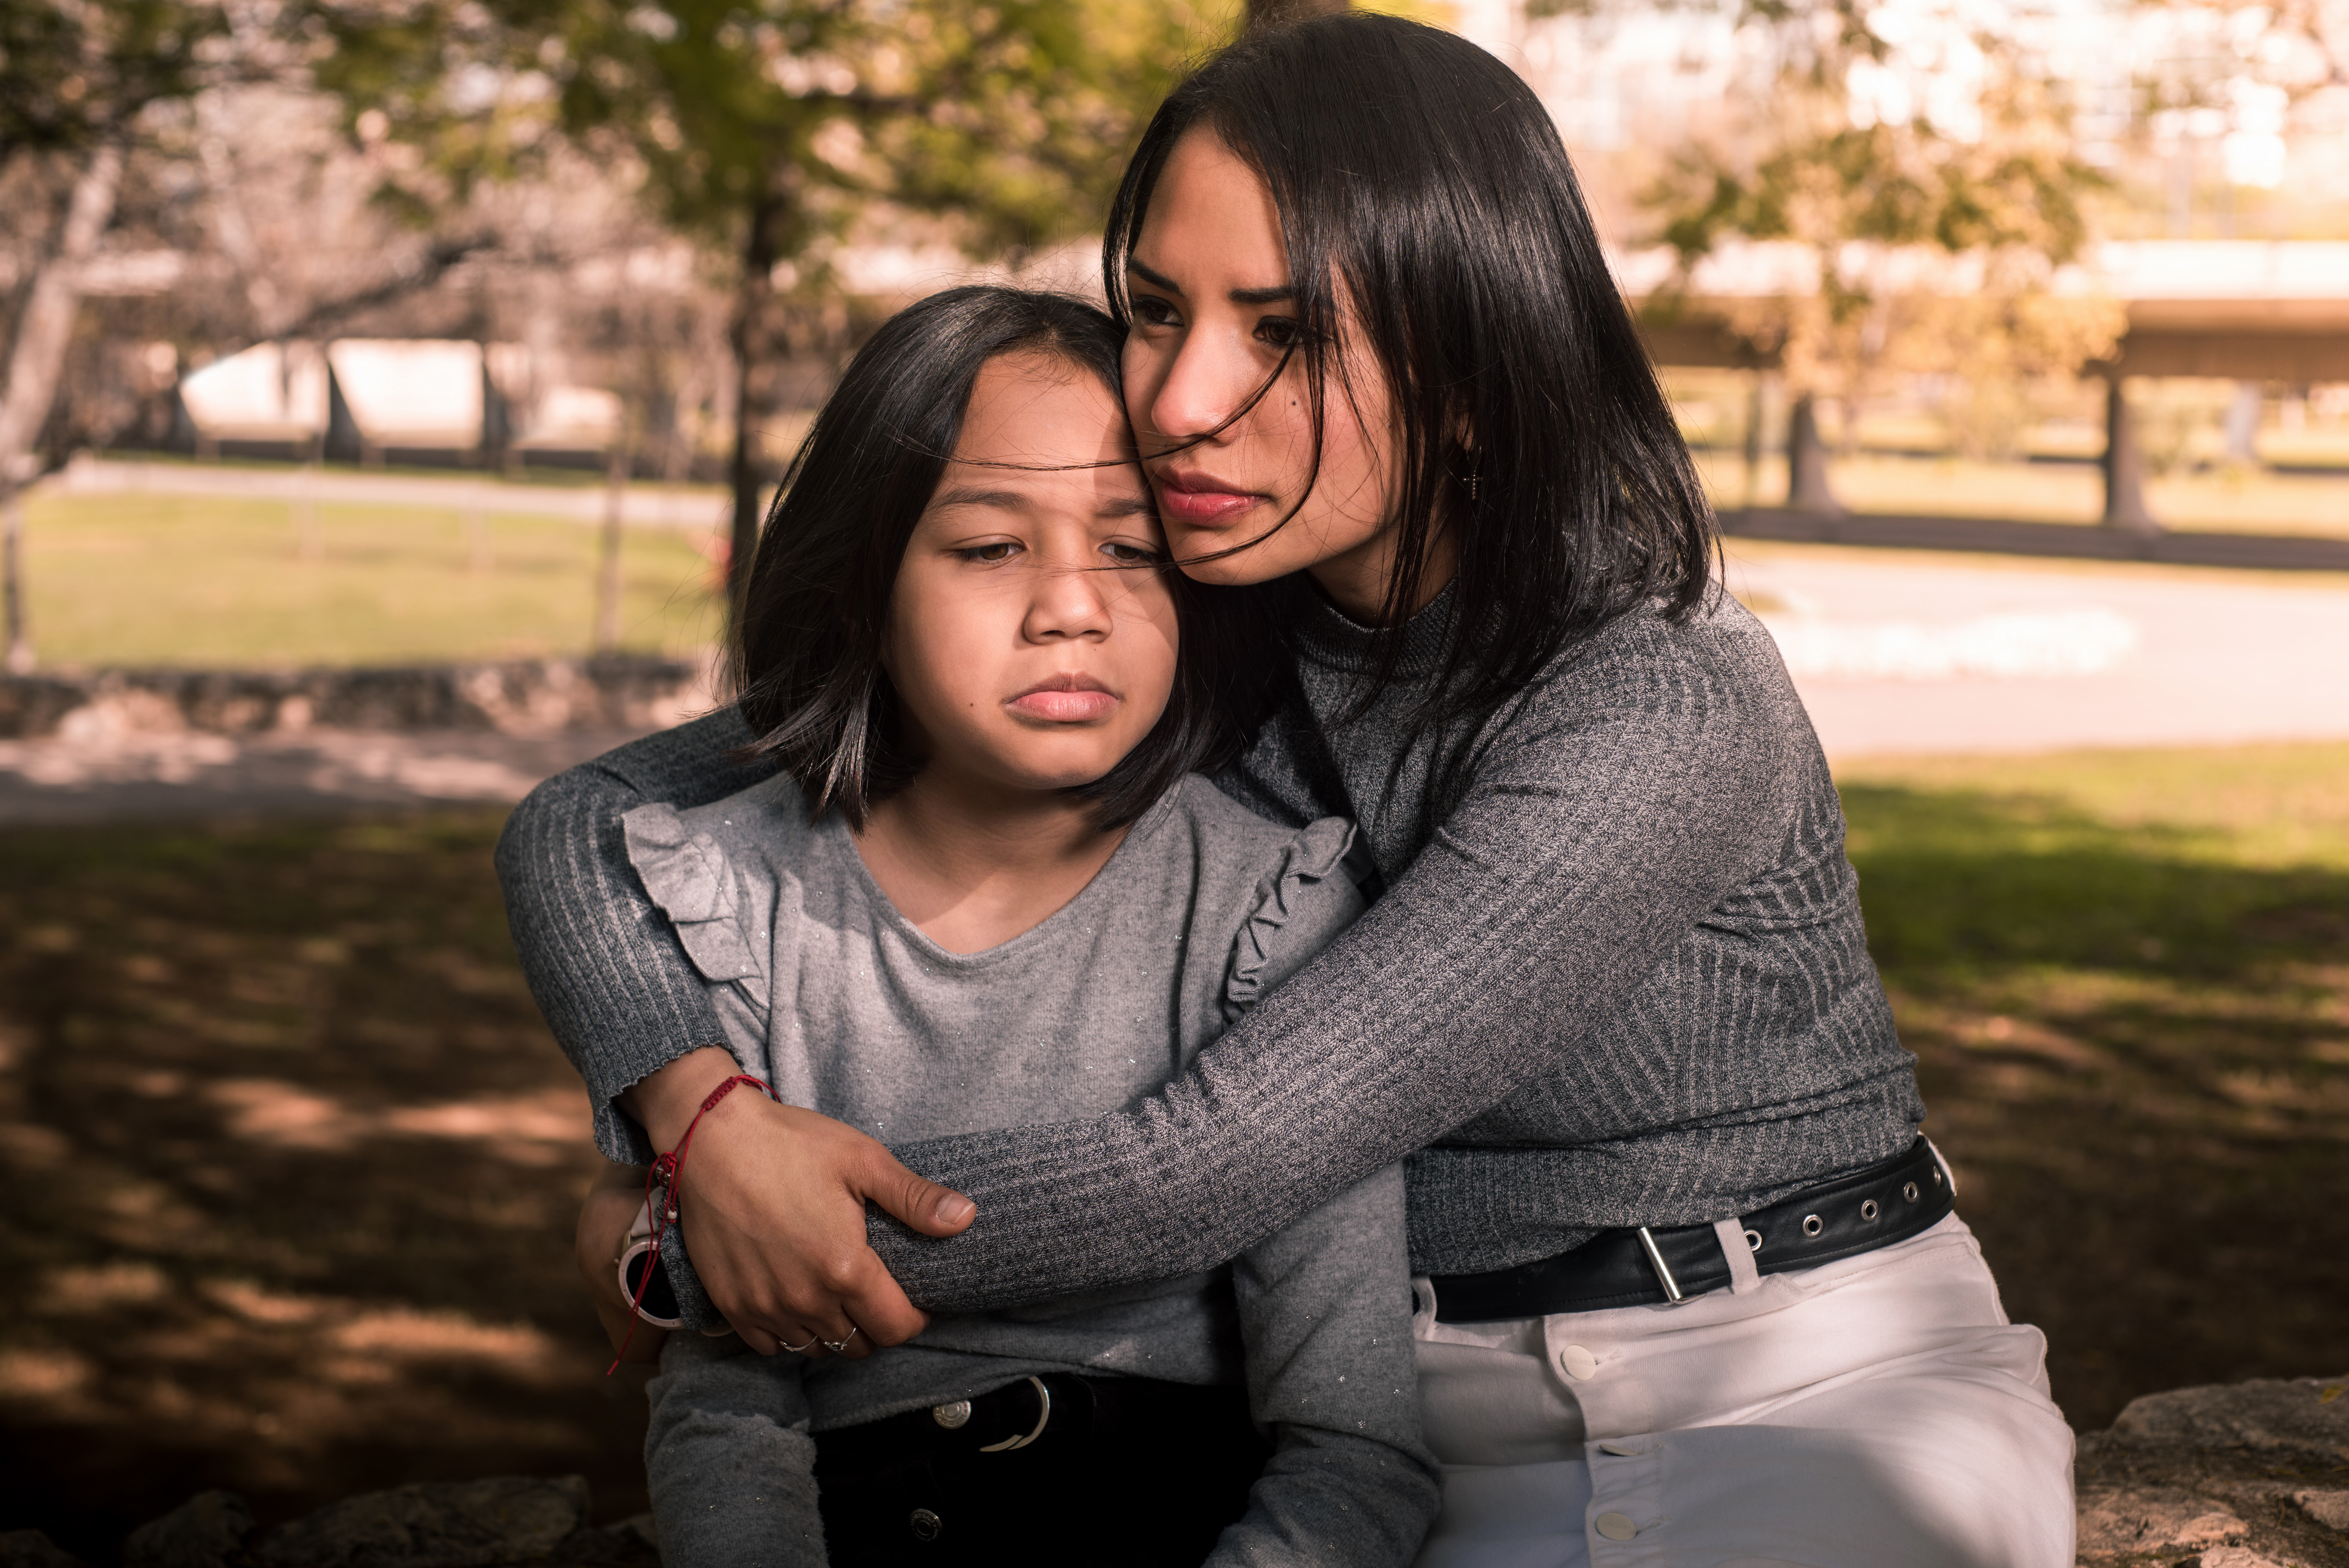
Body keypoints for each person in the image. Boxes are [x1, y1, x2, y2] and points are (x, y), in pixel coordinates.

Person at [508, 16, 2075, 1567]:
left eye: (1283, 332)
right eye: (1154, 309)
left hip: (1794, 1382)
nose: (1183, 399)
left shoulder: (1655, 697)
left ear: (1472, 370)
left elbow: (1209, 1166)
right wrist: (700, 1120)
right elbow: (578, 825)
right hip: (1413, 1429)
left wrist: (692, 1251)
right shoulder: (1205, 613)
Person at [573, 283, 1435, 1567]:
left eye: (1130, 547)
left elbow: (1354, 1447)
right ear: (866, 586)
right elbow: (721, 1411)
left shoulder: (1265, 910)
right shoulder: (724, 902)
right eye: (989, 548)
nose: (1069, 607)